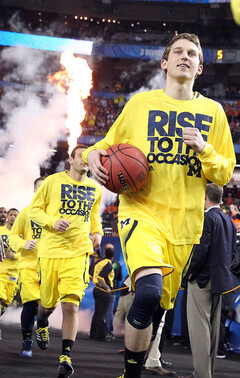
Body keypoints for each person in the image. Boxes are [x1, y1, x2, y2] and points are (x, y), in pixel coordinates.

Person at [82, 33, 236, 378]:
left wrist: (204, 149)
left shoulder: (214, 112)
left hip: (184, 227)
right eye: (178, 52)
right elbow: (105, 145)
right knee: (148, 291)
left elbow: (224, 173)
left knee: (154, 307)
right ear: (165, 63)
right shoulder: (140, 105)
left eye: (192, 54)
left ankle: (132, 370)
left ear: (200, 67)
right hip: (141, 211)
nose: (185, 56)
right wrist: (92, 153)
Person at [29, 144, 103, 378]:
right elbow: (34, 211)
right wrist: (52, 222)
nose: (84, 160)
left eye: (87, 157)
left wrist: (97, 231)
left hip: (78, 253)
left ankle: (65, 357)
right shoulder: (52, 182)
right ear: (70, 160)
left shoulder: (95, 188)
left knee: (71, 305)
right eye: (79, 156)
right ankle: (41, 322)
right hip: (50, 252)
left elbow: (94, 217)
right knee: (48, 305)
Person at [185, 183, 240, 378]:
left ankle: (202, 374)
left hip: (202, 280)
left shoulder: (207, 218)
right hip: (222, 281)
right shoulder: (228, 220)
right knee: (213, 329)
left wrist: (189, 274)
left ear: (205, 197)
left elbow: (201, 251)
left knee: (198, 328)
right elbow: (233, 253)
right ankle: (206, 372)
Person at [9, 177, 45, 357]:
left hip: (49, 267)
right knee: (30, 305)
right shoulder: (25, 213)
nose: (41, 190)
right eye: (39, 187)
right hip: (29, 266)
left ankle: (43, 326)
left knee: (46, 306)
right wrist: (24, 243)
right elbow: (12, 237)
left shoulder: (55, 213)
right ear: (34, 189)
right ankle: (26, 341)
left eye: (44, 187)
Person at [89, 243, 114, 341]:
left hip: (96, 289)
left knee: (97, 313)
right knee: (102, 314)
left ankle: (93, 334)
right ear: (113, 254)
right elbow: (100, 277)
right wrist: (107, 287)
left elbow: (91, 276)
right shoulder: (108, 264)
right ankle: (100, 335)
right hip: (104, 291)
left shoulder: (98, 262)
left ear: (104, 252)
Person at [0, 208, 19, 316]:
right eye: (11, 215)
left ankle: (3, 308)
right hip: (0, 270)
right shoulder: (0, 231)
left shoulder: (22, 234)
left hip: (13, 273)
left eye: (15, 215)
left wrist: (15, 256)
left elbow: (28, 253)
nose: (13, 217)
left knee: (7, 301)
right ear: (7, 217)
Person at [106, 247, 123, 340]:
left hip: (102, 290)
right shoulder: (116, 264)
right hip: (112, 290)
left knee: (100, 311)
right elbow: (119, 278)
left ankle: (97, 331)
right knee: (109, 312)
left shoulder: (101, 263)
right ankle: (109, 332)